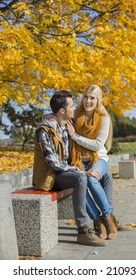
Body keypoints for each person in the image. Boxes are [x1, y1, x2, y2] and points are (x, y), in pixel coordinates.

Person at [32, 90, 106, 246]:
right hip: (49, 176)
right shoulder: (44, 131)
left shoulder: (66, 125)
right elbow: (53, 163)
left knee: (100, 176)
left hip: (62, 174)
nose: (74, 108)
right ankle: (83, 230)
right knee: (80, 177)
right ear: (62, 111)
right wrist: (79, 171)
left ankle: (106, 219)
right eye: (71, 106)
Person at [67, 85, 129, 240]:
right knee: (78, 185)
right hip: (78, 159)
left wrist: (75, 136)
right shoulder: (75, 114)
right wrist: (47, 116)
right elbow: (58, 114)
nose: (88, 101)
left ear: (98, 100)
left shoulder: (104, 118)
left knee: (91, 179)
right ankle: (98, 220)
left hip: (98, 158)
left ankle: (108, 218)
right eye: (86, 97)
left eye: (92, 98)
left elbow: (97, 145)